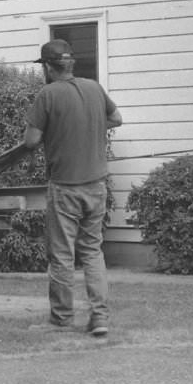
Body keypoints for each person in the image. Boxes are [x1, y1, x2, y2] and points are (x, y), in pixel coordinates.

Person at [23, 39, 122, 337]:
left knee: (63, 254)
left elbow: (30, 141)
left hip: (65, 187)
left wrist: (62, 130)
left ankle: (62, 319)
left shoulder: (48, 94)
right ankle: (100, 318)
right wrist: (89, 126)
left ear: (49, 68)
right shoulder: (93, 87)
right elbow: (116, 118)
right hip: (96, 185)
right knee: (92, 252)